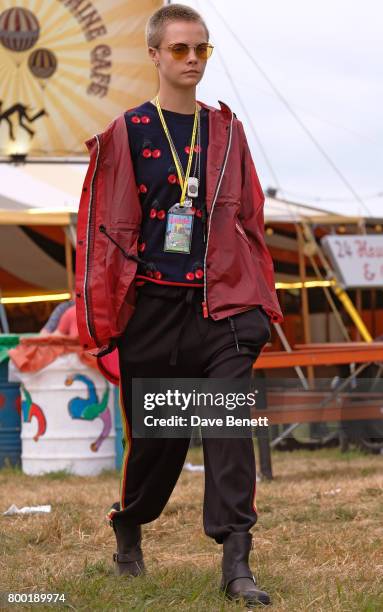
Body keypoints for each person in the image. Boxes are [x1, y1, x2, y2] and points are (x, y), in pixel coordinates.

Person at [75, 4, 283, 607]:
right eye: (180, 50)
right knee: (160, 447)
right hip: (156, 311)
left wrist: (257, 294)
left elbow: (249, 217)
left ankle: (237, 561)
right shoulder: (127, 132)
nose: (193, 60)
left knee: (226, 424)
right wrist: (106, 312)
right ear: (155, 54)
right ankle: (130, 521)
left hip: (221, 306)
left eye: (202, 50)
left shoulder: (227, 131)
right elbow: (104, 231)